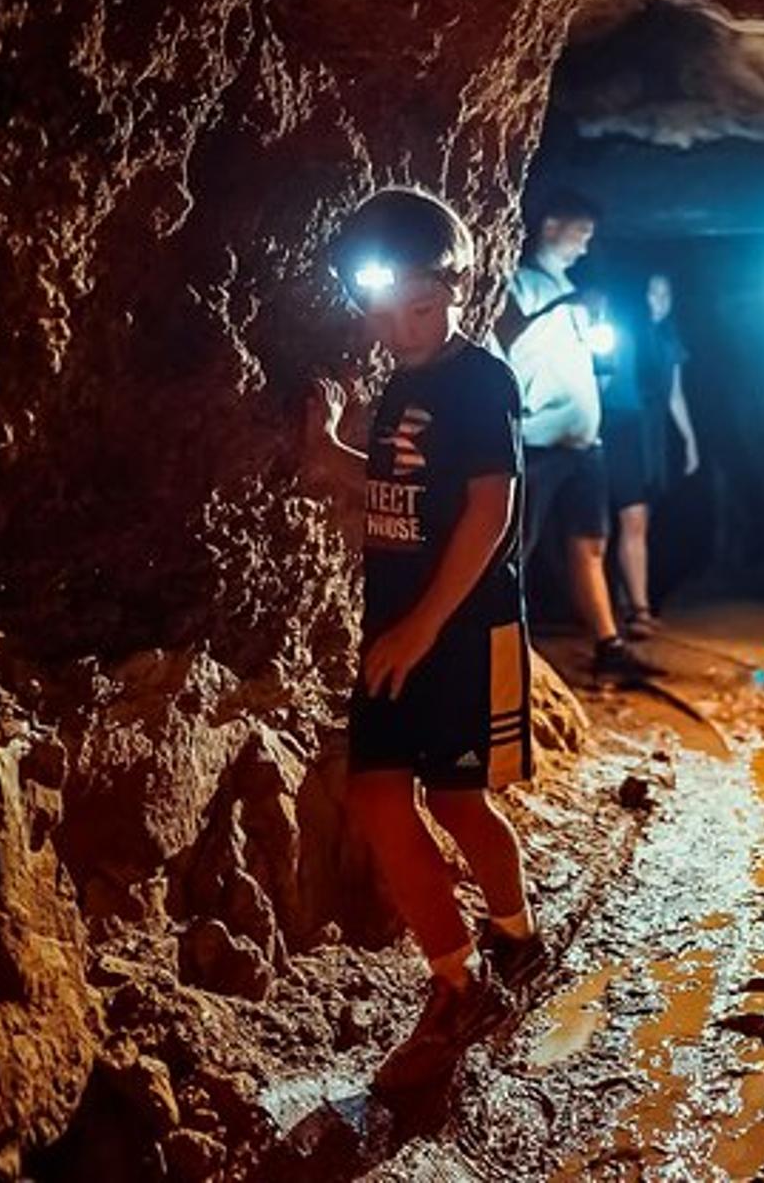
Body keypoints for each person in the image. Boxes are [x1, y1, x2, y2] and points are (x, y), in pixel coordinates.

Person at [301, 187, 543, 1096]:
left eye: (421, 305)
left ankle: (514, 935)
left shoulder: (481, 380)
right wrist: (330, 455)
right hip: (398, 629)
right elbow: (402, 490)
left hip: (458, 628)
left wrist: (422, 626)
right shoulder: (400, 384)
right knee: (374, 797)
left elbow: (489, 508)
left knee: (458, 803)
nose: (403, 324)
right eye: (386, 306)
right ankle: (456, 975)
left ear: (451, 290)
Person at [496, 190, 658, 682]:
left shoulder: (571, 288)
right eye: (580, 232)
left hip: (585, 445)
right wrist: (566, 303)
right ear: (549, 226)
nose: (586, 246)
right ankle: (499, 644)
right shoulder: (519, 282)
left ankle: (610, 647)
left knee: (590, 546)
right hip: (537, 442)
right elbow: (505, 335)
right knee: (514, 548)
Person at [597, 274, 701, 638]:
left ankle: (629, 602)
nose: (658, 299)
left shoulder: (669, 339)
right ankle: (639, 610)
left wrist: (689, 441)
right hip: (620, 429)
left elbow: (676, 395)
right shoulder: (622, 334)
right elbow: (601, 382)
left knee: (641, 519)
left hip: (652, 435)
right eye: (651, 292)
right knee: (633, 517)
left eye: (665, 292)